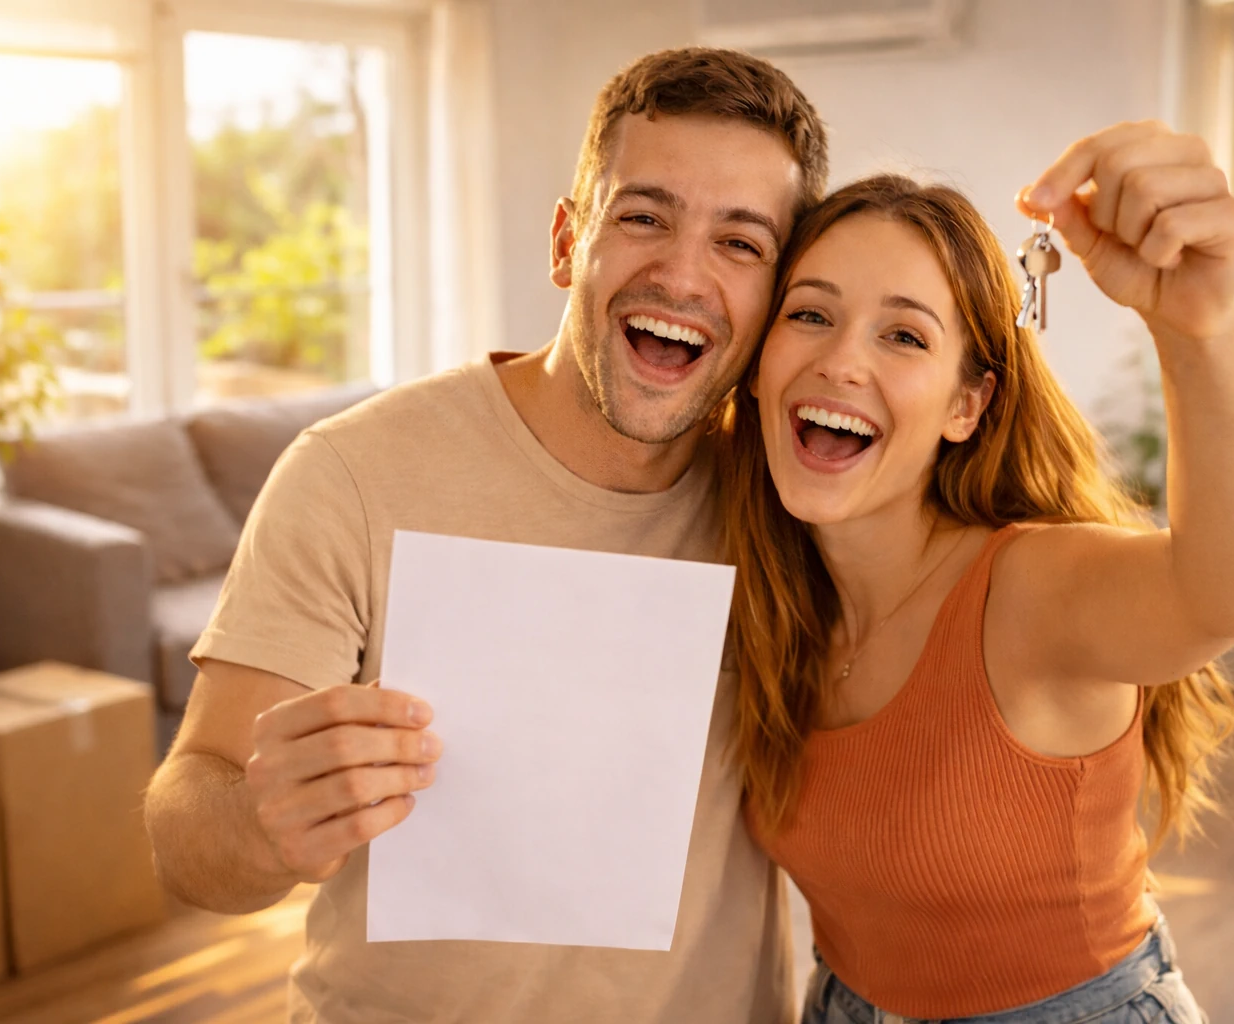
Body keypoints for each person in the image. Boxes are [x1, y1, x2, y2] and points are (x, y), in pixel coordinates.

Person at [143, 48, 828, 1024]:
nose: (681, 273)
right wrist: (259, 821)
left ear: (777, 296)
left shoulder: (791, 502)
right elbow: (186, 827)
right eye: (643, 216)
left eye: (740, 243)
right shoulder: (354, 473)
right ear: (566, 240)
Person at [723, 121, 1234, 1024]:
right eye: (810, 314)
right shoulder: (767, 594)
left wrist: (1198, 323)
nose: (841, 360)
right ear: (759, 366)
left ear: (967, 404)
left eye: (904, 337)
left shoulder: (1027, 586)